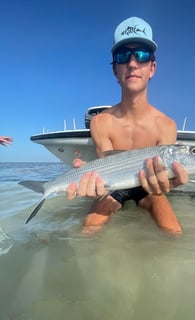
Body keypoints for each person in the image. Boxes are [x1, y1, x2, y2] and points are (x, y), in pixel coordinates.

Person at [66, 16, 188, 235]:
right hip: (115, 188)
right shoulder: (100, 122)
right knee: (87, 232)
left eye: (141, 55)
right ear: (115, 71)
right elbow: (107, 169)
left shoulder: (167, 125)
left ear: (152, 68)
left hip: (148, 188)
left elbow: (161, 180)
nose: (132, 63)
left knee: (174, 233)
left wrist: (169, 183)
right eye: (123, 56)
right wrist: (87, 176)